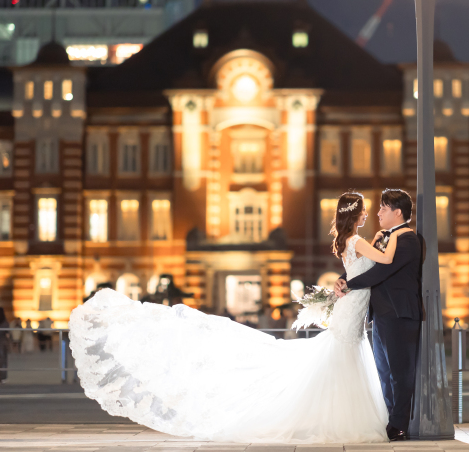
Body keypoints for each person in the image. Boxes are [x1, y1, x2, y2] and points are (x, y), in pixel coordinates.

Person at [69, 190, 410, 443]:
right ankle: (348, 418)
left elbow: (361, 270)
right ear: (356, 214)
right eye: (367, 210)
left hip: (352, 305)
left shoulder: (349, 240)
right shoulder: (362, 241)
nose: (371, 214)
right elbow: (386, 261)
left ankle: (340, 415)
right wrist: (394, 236)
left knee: (343, 355)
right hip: (352, 306)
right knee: (346, 355)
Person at [335, 189, 422, 441]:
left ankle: (399, 425)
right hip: (381, 314)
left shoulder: (407, 240)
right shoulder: (383, 236)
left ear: (397, 212)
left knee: (400, 372)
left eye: (383, 208)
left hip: (400, 314)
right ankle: (388, 419)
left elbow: (379, 272)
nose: (378, 212)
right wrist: (341, 279)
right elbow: (363, 263)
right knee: (384, 372)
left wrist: (349, 285)